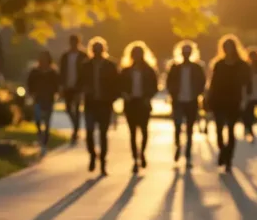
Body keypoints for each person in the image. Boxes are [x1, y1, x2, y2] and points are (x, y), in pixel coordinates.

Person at [207, 34, 251, 173]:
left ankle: (229, 159)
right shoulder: (219, 64)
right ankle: (222, 150)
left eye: (230, 47)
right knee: (219, 129)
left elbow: (247, 84)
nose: (228, 50)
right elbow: (212, 83)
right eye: (225, 47)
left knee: (231, 130)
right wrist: (209, 98)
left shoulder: (242, 65)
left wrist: (245, 100)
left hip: (234, 100)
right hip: (219, 99)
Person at [77, 36, 120, 175]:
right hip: (90, 103)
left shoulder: (110, 66)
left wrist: (111, 98)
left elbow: (116, 86)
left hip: (104, 104)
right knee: (89, 132)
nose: (97, 52)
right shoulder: (86, 66)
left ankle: (103, 161)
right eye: (94, 50)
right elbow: (80, 83)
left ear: (103, 50)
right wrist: (83, 90)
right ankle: (92, 155)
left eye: (99, 49)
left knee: (103, 134)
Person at [119, 41, 159, 174]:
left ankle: (142, 153)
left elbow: (154, 87)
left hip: (143, 103)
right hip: (131, 103)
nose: (137, 56)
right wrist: (124, 94)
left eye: (139, 54)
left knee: (144, 131)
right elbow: (120, 87)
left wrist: (148, 97)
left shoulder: (149, 71)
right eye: (134, 54)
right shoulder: (126, 71)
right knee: (132, 133)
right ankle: (135, 159)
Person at [166, 40, 206, 168]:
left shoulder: (197, 68)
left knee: (189, 129)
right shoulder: (175, 67)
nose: (186, 54)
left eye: (188, 52)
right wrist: (173, 94)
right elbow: (169, 83)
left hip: (192, 101)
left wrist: (197, 93)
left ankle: (188, 154)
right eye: (184, 52)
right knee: (177, 127)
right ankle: (178, 147)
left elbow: (202, 83)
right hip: (178, 101)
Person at [27, 50, 60, 155]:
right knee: (37, 118)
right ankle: (40, 135)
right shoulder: (35, 71)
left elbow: (57, 85)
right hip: (38, 98)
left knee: (47, 121)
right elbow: (30, 83)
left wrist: (55, 93)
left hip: (49, 98)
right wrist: (32, 92)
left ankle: (44, 142)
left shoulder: (52, 72)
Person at [59, 34, 88, 145]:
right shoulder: (65, 56)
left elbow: (86, 72)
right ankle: (75, 126)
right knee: (68, 108)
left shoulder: (83, 56)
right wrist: (61, 86)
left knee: (76, 108)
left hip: (78, 87)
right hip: (67, 86)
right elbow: (62, 72)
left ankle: (75, 131)